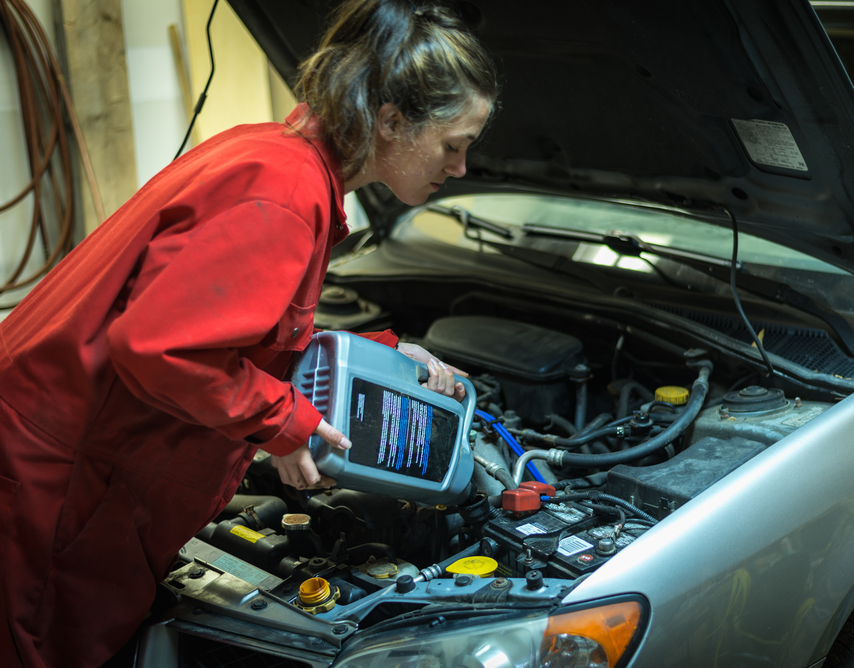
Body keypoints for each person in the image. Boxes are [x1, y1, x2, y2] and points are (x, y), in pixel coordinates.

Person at [0, 1, 498, 665]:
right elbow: (160, 345)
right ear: (391, 120)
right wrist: (282, 422)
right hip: (60, 480)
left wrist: (381, 356)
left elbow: (244, 323)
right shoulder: (286, 193)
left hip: (82, 457)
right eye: (453, 145)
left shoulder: (279, 157)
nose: (460, 168)